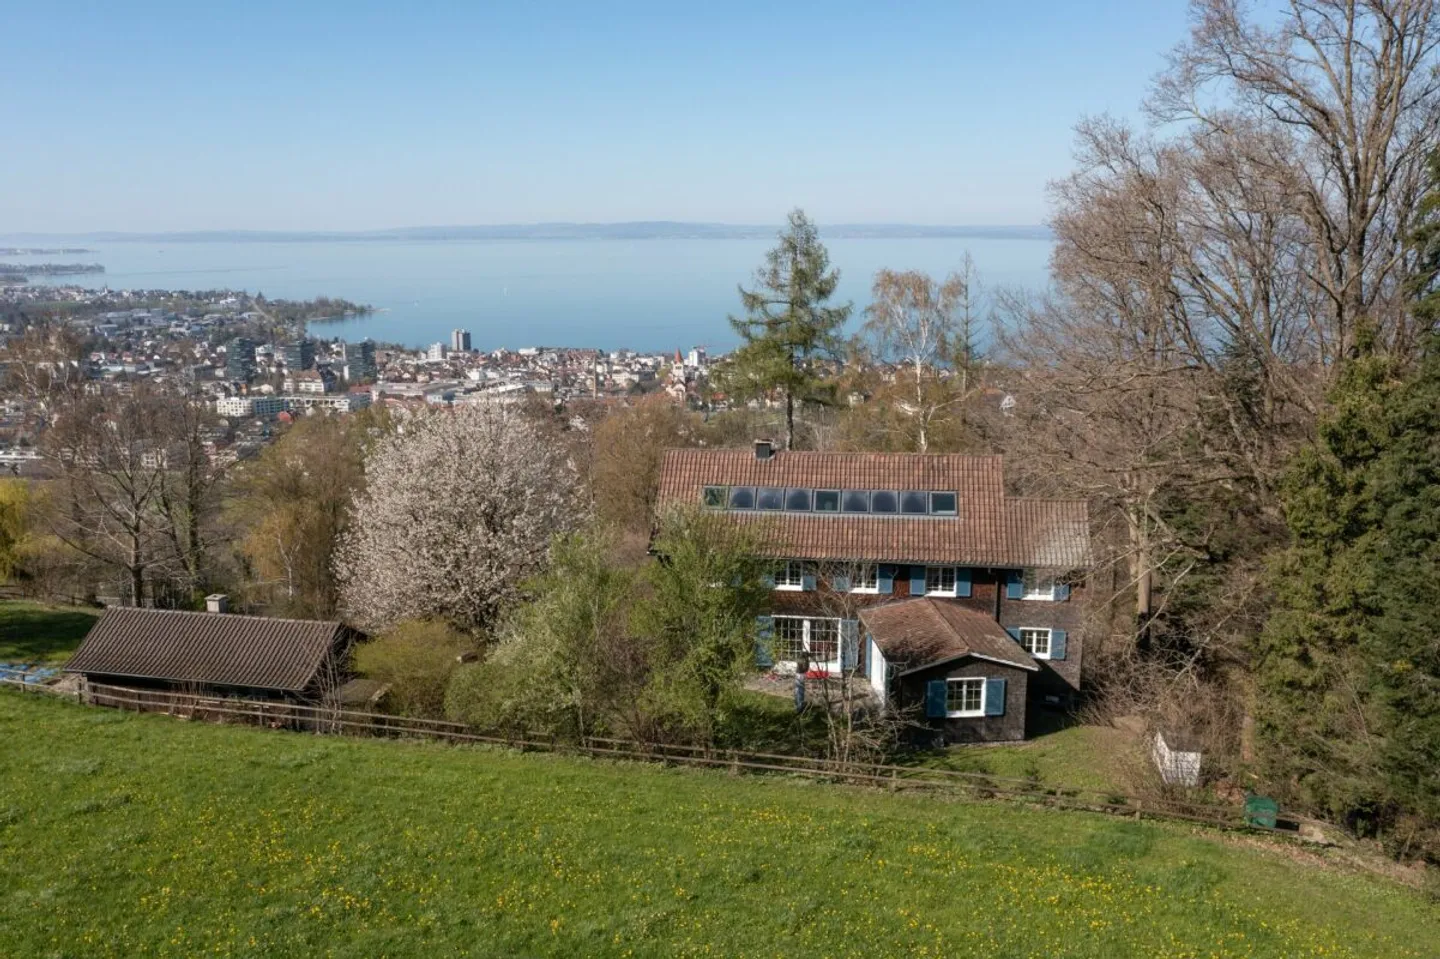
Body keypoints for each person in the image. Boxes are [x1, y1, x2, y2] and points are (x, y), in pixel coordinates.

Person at [794, 649, 809, 713]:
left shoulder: (799, 659)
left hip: (798, 674)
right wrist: (808, 661)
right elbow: (805, 669)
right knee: (800, 690)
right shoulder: (804, 660)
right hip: (801, 675)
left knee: (798, 690)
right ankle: (800, 707)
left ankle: (798, 704)